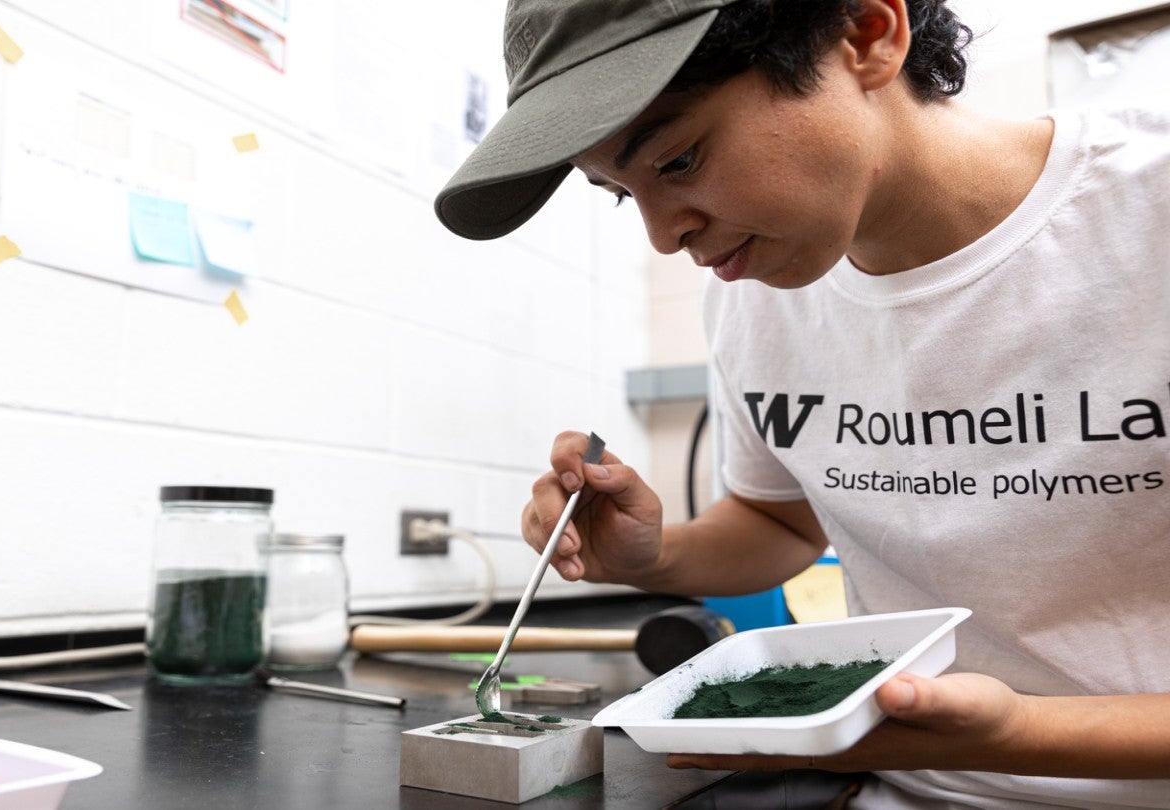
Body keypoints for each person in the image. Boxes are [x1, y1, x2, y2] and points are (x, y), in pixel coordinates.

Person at [435, 0, 1170, 807]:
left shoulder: (1149, 211)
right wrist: (652, 558)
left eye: (678, 160)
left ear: (865, 35)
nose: (663, 237)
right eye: (618, 192)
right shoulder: (753, 293)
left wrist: (1019, 734)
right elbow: (781, 523)